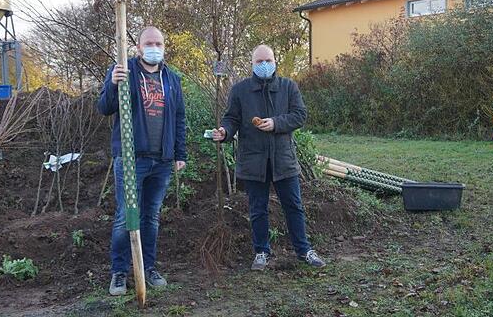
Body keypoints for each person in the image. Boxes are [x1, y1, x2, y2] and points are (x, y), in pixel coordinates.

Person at [212, 45, 326, 271]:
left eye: (268, 60)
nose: (264, 65)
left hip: (283, 159)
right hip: (253, 159)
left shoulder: (288, 87)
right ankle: (261, 252)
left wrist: (276, 123)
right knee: (257, 209)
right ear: (252, 64)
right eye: (259, 61)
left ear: (275, 61)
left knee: (293, 205)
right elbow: (231, 119)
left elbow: (299, 115)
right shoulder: (240, 91)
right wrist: (224, 133)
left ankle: (304, 250)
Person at [97, 26, 187, 296]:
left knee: (151, 217)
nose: (154, 47)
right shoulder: (124, 72)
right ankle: (120, 272)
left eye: (158, 43)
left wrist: (179, 153)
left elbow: (179, 118)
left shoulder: (171, 78)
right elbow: (104, 107)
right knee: (126, 216)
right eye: (149, 43)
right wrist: (113, 83)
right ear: (138, 47)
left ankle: (148, 267)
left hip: (161, 160)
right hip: (131, 158)